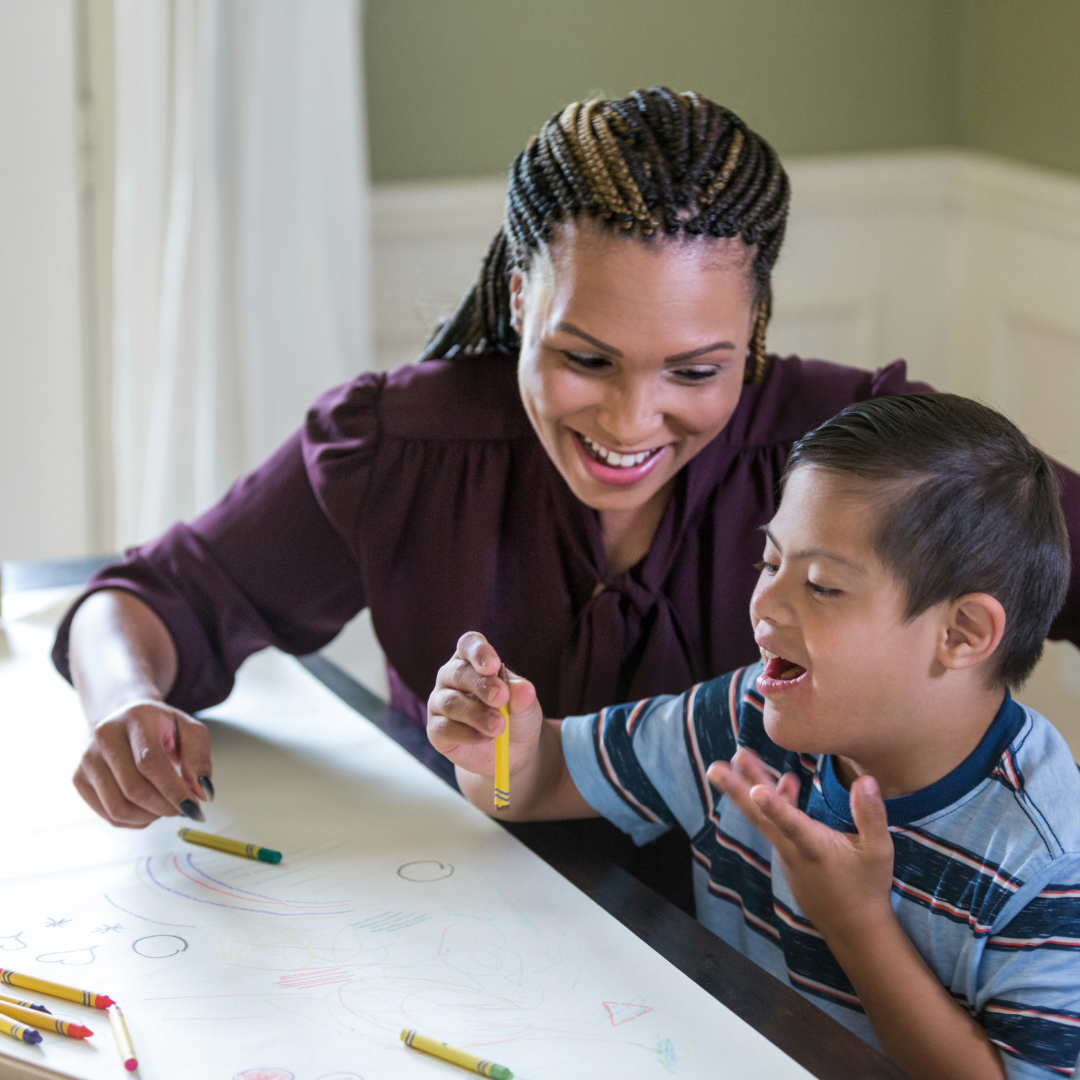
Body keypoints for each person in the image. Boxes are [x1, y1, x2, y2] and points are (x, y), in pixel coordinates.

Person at [52, 89, 1080, 910]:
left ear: (756, 322)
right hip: (462, 919)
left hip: (784, 982)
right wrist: (129, 703)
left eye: (695, 370)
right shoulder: (396, 448)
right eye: (586, 359)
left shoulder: (867, 457)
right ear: (517, 301)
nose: (633, 422)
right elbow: (148, 597)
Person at [430, 394, 1080, 1080]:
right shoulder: (744, 719)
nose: (766, 604)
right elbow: (536, 784)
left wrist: (857, 925)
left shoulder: (1045, 863)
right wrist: (504, 747)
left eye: (822, 585)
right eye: (770, 563)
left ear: (962, 634)